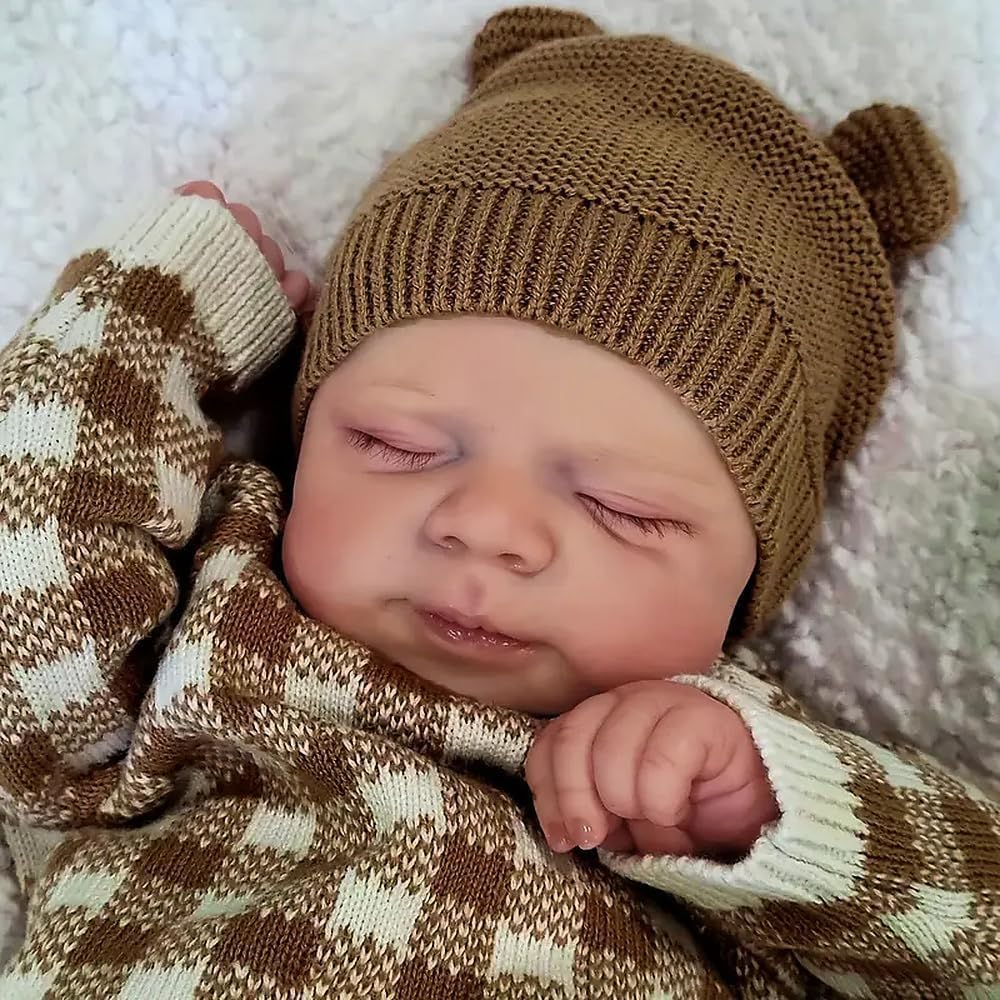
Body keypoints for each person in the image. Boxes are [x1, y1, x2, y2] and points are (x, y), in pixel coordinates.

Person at [0, 6, 995, 998]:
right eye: (396, 446)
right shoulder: (216, 612)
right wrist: (149, 319)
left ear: (749, 581)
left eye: (622, 508)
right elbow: (25, 572)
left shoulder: (730, 771)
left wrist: (784, 819)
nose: (483, 525)